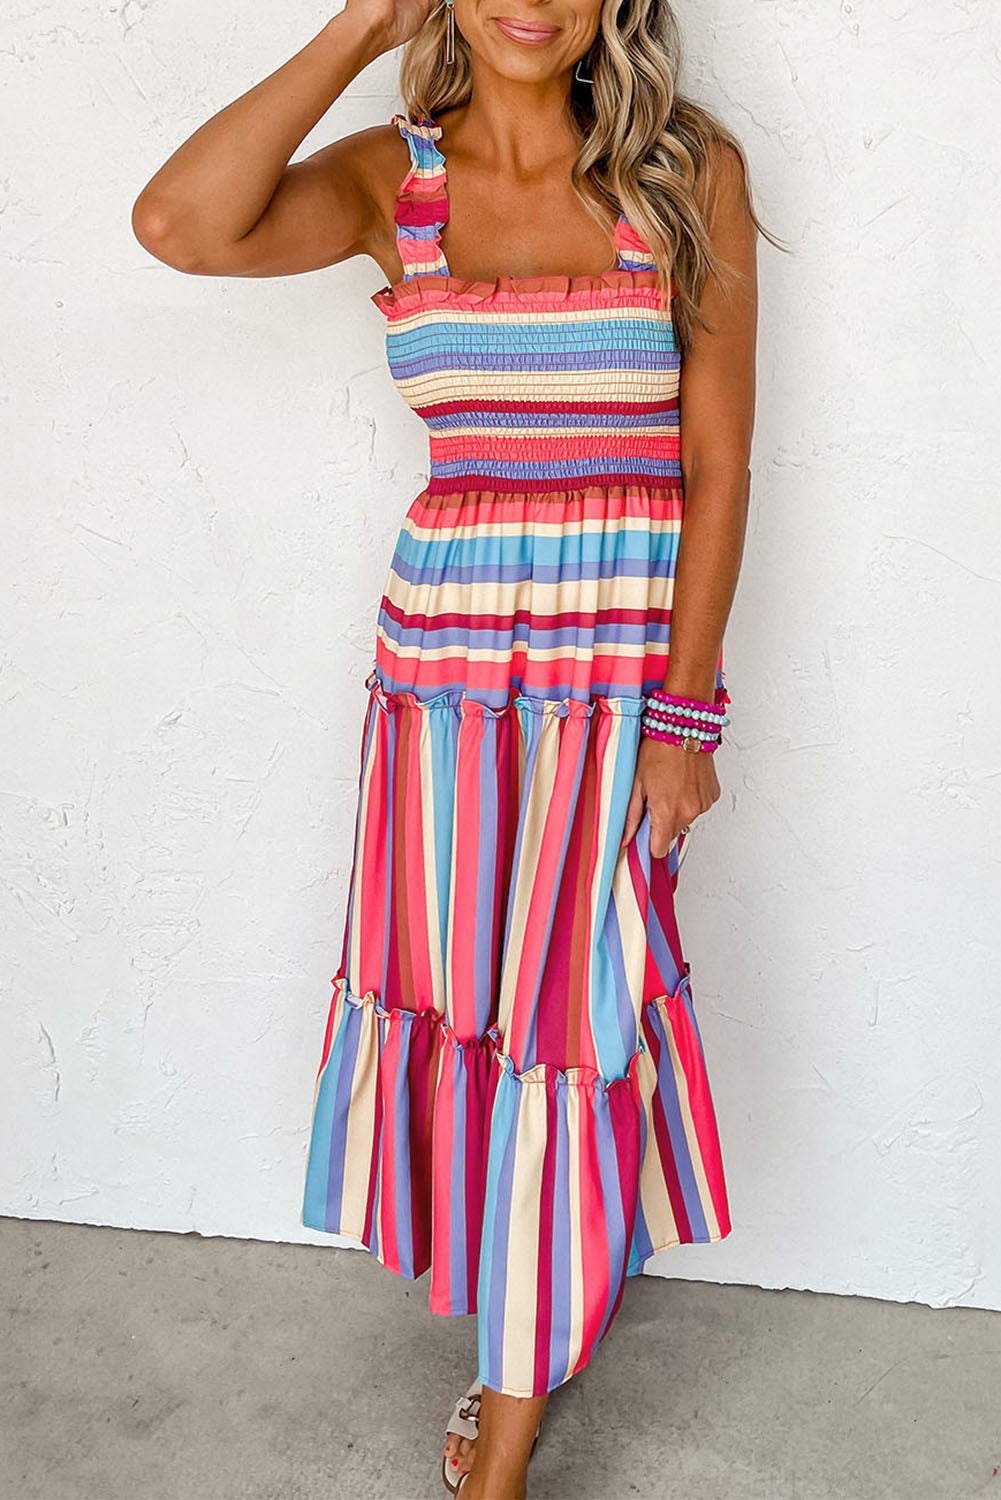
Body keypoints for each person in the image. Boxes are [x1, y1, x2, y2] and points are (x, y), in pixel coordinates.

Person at [133, 0, 766, 1490]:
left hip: (618, 692)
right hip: (443, 688)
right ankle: (525, 1312)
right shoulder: (387, 182)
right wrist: (359, 30)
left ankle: (509, 1424)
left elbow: (720, 457)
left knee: (577, 1015)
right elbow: (179, 225)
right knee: (470, 1010)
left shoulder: (683, 169)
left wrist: (686, 715)